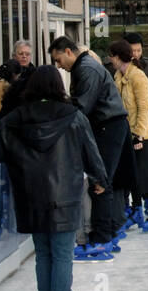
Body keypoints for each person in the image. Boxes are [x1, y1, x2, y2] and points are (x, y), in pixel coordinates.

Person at [0, 66, 110, 291]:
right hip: (65, 197)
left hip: (31, 197)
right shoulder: (74, 116)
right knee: (62, 255)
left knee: (44, 253)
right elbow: (90, 151)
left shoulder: (14, 119)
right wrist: (100, 180)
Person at [49, 36, 130, 259]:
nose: (59, 66)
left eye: (58, 60)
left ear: (68, 52)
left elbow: (82, 106)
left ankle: (102, 239)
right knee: (103, 181)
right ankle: (108, 234)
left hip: (108, 127)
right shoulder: (83, 68)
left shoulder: (87, 69)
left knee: (100, 182)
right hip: (107, 126)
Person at [110, 38, 148, 233]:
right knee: (133, 176)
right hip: (128, 134)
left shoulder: (138, 77)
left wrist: (138, 135)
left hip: (145, 134)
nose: (110, 59)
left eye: (112, 56)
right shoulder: (118, 76)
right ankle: (137, 210)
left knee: (146, 175)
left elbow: (145, 108)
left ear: (118, 57)